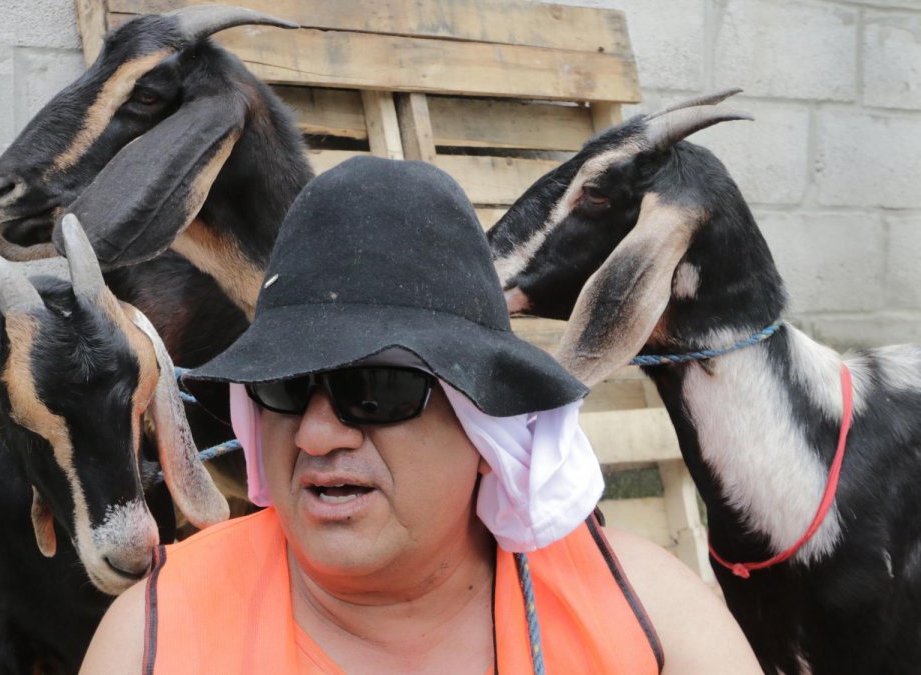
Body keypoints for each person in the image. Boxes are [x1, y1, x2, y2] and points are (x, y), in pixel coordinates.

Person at [81, 157, 758, 674]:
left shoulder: (650, 627)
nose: (317, 434)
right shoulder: (154, 642)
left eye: (375, 389)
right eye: (286, 386)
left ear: (484, 419)